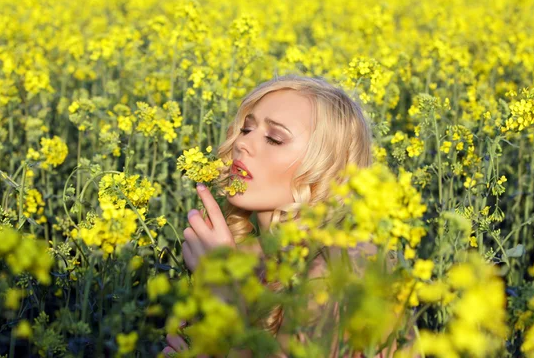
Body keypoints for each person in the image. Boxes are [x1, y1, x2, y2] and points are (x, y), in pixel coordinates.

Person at [162, 74, 414, 357]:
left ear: (327, 171)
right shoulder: (254, 260)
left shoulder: (343, 264)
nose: (242, 145)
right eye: (246, 129)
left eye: (274, 138)